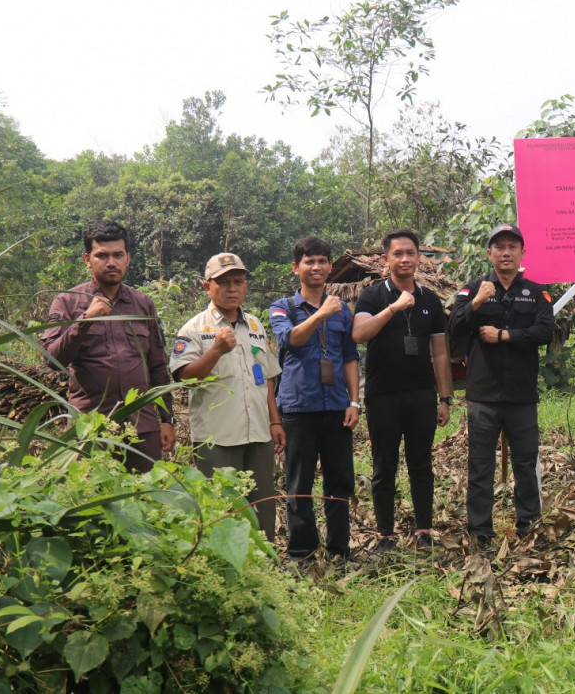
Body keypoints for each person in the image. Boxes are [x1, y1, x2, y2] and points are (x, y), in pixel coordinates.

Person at [448, 223, 555, 549]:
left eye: (512, 246)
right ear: (489, 253)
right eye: (500, 247)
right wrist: (477, 303)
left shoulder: (537, 293)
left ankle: (528, 526)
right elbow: (453, 328)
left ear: (522, 253)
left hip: (522, 395)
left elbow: (545, 332)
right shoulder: (472, 289)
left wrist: (504, 335)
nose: (506, 252)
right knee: (480, 465)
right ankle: (480, 531)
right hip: (483, 394)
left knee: (526, 463)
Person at [41, 220, 174, 472]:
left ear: (128, 258)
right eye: (102, 255)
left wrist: (167, 419)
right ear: (87, 259)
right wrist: (86, 319)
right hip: (90, 425)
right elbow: (52, 358)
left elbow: (157, 365)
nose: (111, 262)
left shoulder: (143, 304)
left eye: (118, 255)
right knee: (91, 501)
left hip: (141, 427)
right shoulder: (67, 301)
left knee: (144, 502)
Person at [170, 253, 284, 540]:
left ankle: (265, 569)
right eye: (223, 283)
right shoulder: (194, 328)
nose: (232, 288)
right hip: (217, 437)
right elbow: (184, 378)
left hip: (258, 433)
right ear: (207, 287)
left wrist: (275, 421)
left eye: (238, 281)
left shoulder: (255, 326)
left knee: (262, 506)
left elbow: (267, 376)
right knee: (222, 508)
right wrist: (216, 351)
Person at [352, 229, 454, 552]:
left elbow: (439, 352)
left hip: (421, 395)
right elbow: (359, 334)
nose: (405, 259)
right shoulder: (371, 296)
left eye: (410, 253)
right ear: (386, 259)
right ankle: (386, 535)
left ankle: (424, 531)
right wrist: (395, 308)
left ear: (419, 257)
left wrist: (445, 398)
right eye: (398, 254)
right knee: (384, 465)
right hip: (383, 395)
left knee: (421, 463)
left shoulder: (431, 300)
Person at [269, 237, 361, 563]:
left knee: (340, 482)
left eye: (322, 261)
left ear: (330, 266)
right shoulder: (283, 307)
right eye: (309, 261)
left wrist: (354, 402)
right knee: (299, 482)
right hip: (298, 407)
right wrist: (321, 313)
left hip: (336, 406)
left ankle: (339, 550)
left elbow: (350, 356)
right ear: (296, 268)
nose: (317, 267)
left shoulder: (342, 311)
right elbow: (290, 340)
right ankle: (301, 552)